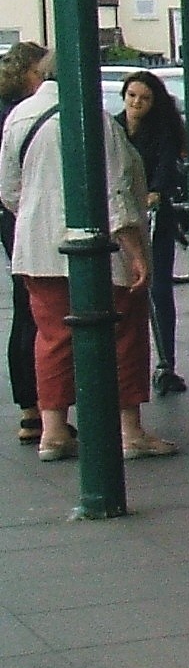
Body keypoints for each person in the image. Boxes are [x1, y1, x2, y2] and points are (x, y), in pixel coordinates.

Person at [1, 56, 173, 460]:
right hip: (101, 250)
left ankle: (53, 432)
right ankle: (130, 430)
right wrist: (135, 251)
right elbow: (115, 190)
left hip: (38, 248)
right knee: (124, 335)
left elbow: (9, 188)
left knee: (53, 338)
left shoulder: (19, 117)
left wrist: (39, 216)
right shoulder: (96, 120)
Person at [117, 70, 188, 397]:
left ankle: (166, 361)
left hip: (153, 216)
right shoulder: (114, 128)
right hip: (121, 216)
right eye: (132, 96)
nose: (136, 103)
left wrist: (156, 192)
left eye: (144, 98)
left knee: (158, 288)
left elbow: (165, 167)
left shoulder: (162, 131)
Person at [0, 42, 44, 442]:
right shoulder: (25, 115)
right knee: (39, 308)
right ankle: (42, 408)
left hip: (12, 217)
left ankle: (30, 410)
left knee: (25, 309)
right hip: (28, 216)